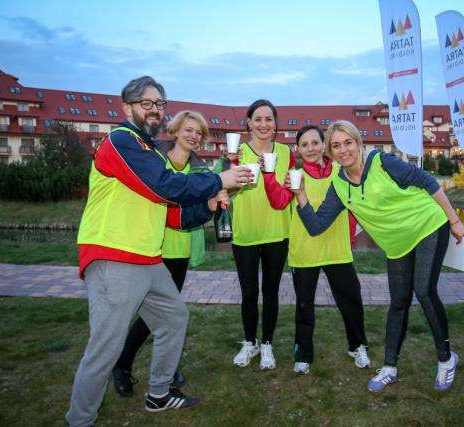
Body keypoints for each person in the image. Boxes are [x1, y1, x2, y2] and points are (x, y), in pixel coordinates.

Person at [66, 76, 251, 426]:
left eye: (160, 104)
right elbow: (165, 186)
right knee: (106, 346)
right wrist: (218, 180)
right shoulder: (121, 141)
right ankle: (80, 419)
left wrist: (209, 206)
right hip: (114, 255)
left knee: (174, 319)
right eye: (147, 103)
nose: (155, 109)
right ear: (127, 107)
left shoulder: (151, 153)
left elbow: (172, 215)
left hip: (148, 260)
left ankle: (159, 394)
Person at [292, 120, 464, 393]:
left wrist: (454, 220)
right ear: (330, 152)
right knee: (398, 301)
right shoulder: (339, 186)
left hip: (428, 226)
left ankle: (446, 359)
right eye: (336, 146)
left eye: (348, 142)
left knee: (424, 291)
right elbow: (316, 226)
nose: (343, 150)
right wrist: (300, 194)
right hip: (397, 243)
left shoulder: (382, 162)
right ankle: (390, 367)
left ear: (358, 143)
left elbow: (427, 181)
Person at [112, 110, 212, 397]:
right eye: (189, 129)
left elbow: (199, 208)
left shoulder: (198, 171)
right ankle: (123, 364)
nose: (194, 136)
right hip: (152, 248)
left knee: (169, 315)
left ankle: (165, 369)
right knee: (151, 317)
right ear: (175, 131)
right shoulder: (156, 163)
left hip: (180, 249)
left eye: (199, 133)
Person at [268, 125, 369, 374]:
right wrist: (270, 175)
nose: (311, 148)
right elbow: (278, 202)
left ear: (324, 145)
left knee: (352, 301)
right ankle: (303, 354)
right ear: (298, 149)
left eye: (315, 143)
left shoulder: (340, 171)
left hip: (337, 249)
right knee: (304, 306)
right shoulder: (295, 176)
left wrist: (352, 234)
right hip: (305, 251)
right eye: (304, 145)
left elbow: (353, 205)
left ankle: (357, 346)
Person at [229, 99, 295, 370]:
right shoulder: (236, 151)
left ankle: (266, 343)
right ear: (249, 122)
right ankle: (249, 342)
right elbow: (225, 190)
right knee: (248, 292)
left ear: (275, 123)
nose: (263, 124)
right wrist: (232, 176)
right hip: (245, 232)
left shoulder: (286, 151)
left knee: (270, 291)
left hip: (277, 231)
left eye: (269, 119)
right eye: (258, 119)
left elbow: (290, 188)